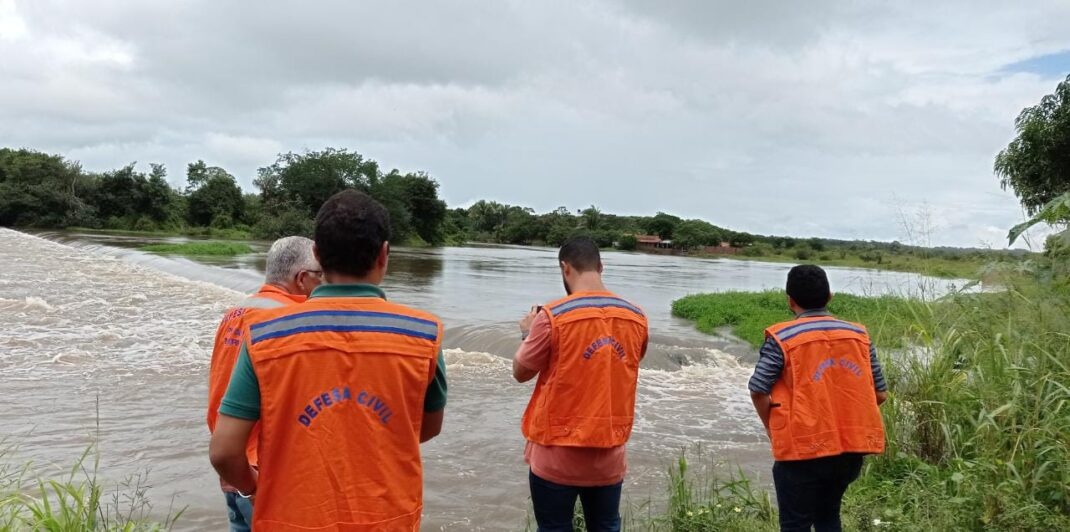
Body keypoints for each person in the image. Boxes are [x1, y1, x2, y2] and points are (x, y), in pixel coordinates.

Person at [209, 190, 447, 531]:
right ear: (384, 254)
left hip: (290, 519)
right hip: (386, 519)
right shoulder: (423, 332)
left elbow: (224, 451)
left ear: (318, 254)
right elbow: (425, 427)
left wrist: (253, 488)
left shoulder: (264, 334)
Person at [513, 236, 649, 532]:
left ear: (565, 268)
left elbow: (521, 372)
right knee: (606, 526)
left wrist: (527, 333)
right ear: (601, 266)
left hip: (556, 454)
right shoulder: (637, 317)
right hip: (609, 455)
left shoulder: (551, 317)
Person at [748, 265, 888, 532]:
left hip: (802, 450)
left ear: (790, 300)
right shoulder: (859, 335)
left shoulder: (782, 338)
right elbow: (879, 393)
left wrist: (771, 426)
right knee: (828, 516)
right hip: (850, 451)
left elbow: (758, 389)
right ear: (830, 296)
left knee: (795, 524)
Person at [206, 236, 322, 532]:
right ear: (302, 278)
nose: (324, 283)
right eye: (320, 275)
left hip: (233, 467)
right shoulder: (287, 321)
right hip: (266, 474)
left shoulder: (235, 312)